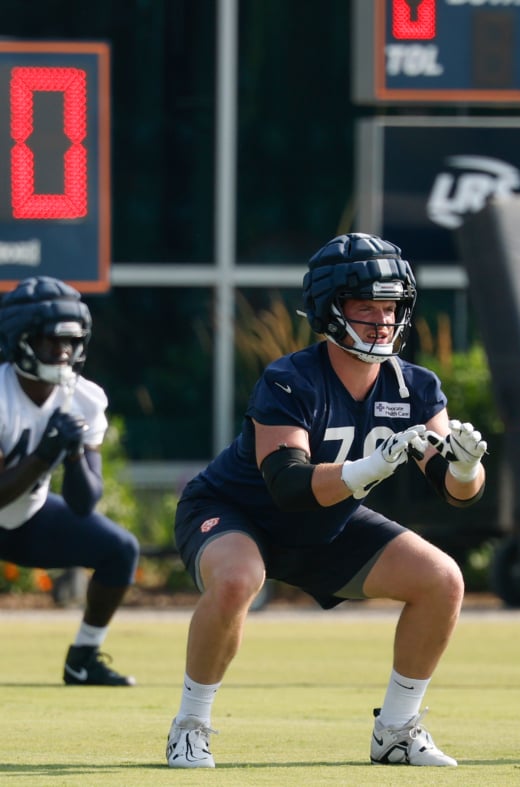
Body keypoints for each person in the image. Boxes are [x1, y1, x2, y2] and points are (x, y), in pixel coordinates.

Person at [165, 233, 488, 768]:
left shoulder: (416, 388)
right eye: (366, 307)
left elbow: (455, 493)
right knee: (240, 578)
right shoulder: (290, 379)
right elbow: (288, 484)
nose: (382, 322)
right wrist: (368, 468)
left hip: (325, 524)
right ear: (330, 311)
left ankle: (397, 731)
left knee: (443, 580)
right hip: (238, 512)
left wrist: (466, 466)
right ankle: (190, 724)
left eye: (390, 308)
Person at [0, 276, 139, 686]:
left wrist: (75, 451)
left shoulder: (85, 398)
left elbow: (84, 503)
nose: (63, 352)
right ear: (20, 339)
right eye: (50, 341)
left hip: (30, 515)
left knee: (120, 549)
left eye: (70, 341)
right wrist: (46, 453)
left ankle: (83, 659)